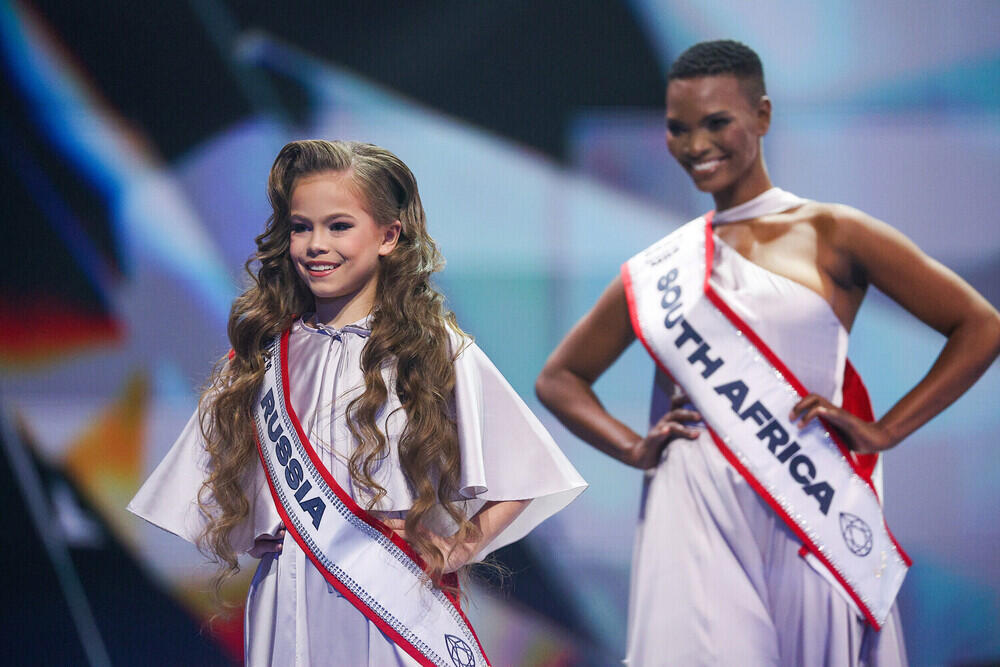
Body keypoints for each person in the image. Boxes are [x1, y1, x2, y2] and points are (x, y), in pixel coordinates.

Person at [536, 40, 1000, 666]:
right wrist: (631, 446)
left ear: (763, 115)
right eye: (679, 129)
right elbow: (560, 378)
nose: (695, 144)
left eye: (717, 122)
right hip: (692, 507)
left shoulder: (832, 232)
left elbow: (979, 325)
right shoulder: (657, 269)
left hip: (812, 507)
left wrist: (887, 429)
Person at [129, 140, 586, 666]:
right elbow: (199, 486)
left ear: (389, 235)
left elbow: (530, 472)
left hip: (393, 593)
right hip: (287, 594)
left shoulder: (433, 347)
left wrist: (457, 547)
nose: (315, 245)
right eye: (302, 227)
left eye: (338, 226)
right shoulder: (261, 355)